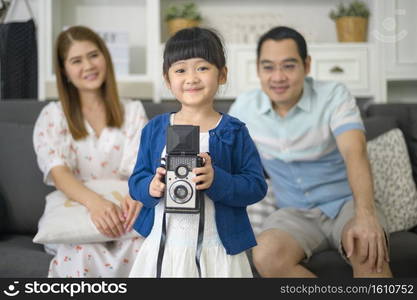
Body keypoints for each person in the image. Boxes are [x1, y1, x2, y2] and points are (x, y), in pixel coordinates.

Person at [229, 26, 392, 278]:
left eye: (289, 66)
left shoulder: (334, 95)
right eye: (268, 67)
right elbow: (223, 159)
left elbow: (354, 153)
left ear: (306, 66)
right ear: (258, 69)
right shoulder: (244, 108)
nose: (278, 77)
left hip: (347, 205)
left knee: (366, 247)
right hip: (293, 213)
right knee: (265, 254)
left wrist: (366, 215)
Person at [128, 27, 267, 277]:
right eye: (180, 70)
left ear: (222, 74)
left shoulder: (234, 131)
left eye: (202, 68)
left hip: (217, 249)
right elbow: (136, 180)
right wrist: (151, 186)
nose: (191, 78)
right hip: (164, 246)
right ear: (168, 79)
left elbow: (256, 186)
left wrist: (217, 180)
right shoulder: (155, 129)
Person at [33, 26, 148, 277]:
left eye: (94, 55)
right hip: (78, 210)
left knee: (144, 250)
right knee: (81, 252)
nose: (88, 65)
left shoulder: (133, 111)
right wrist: (96, 204)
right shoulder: (53, 115)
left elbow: (140, 170)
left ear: (105, 57)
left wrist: (122, 208)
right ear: (64, 71)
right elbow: (58, 171)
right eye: (76, 60)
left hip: (124, 211)